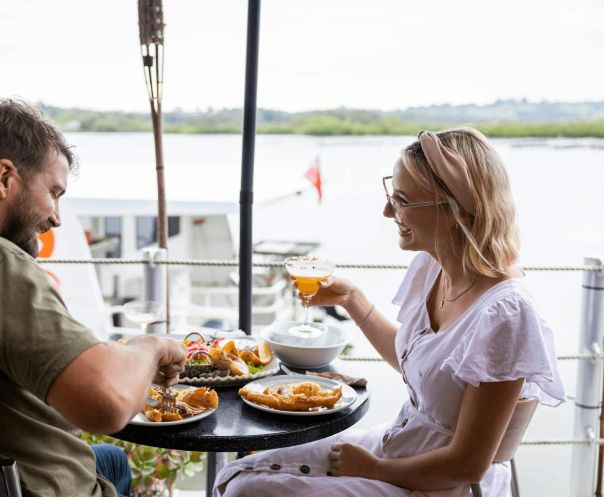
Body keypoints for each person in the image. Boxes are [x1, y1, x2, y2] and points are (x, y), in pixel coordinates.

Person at [214, 128, 566, 497]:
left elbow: (468, 464)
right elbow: (420, 363)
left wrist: (375, 469)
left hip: (441, 481)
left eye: (401, 200)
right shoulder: (435, 268)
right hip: (402, 444)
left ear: (454, 209)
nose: (387, 211)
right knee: (241, 471)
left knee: (251, 492)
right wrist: (352, 298)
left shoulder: (505, 314)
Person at [0, 100, 186, 497]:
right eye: (54, 192)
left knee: (112, 460)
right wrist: (150, 346)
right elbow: (109, 403)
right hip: (29, 487)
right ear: (4, 177)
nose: (56, 217)